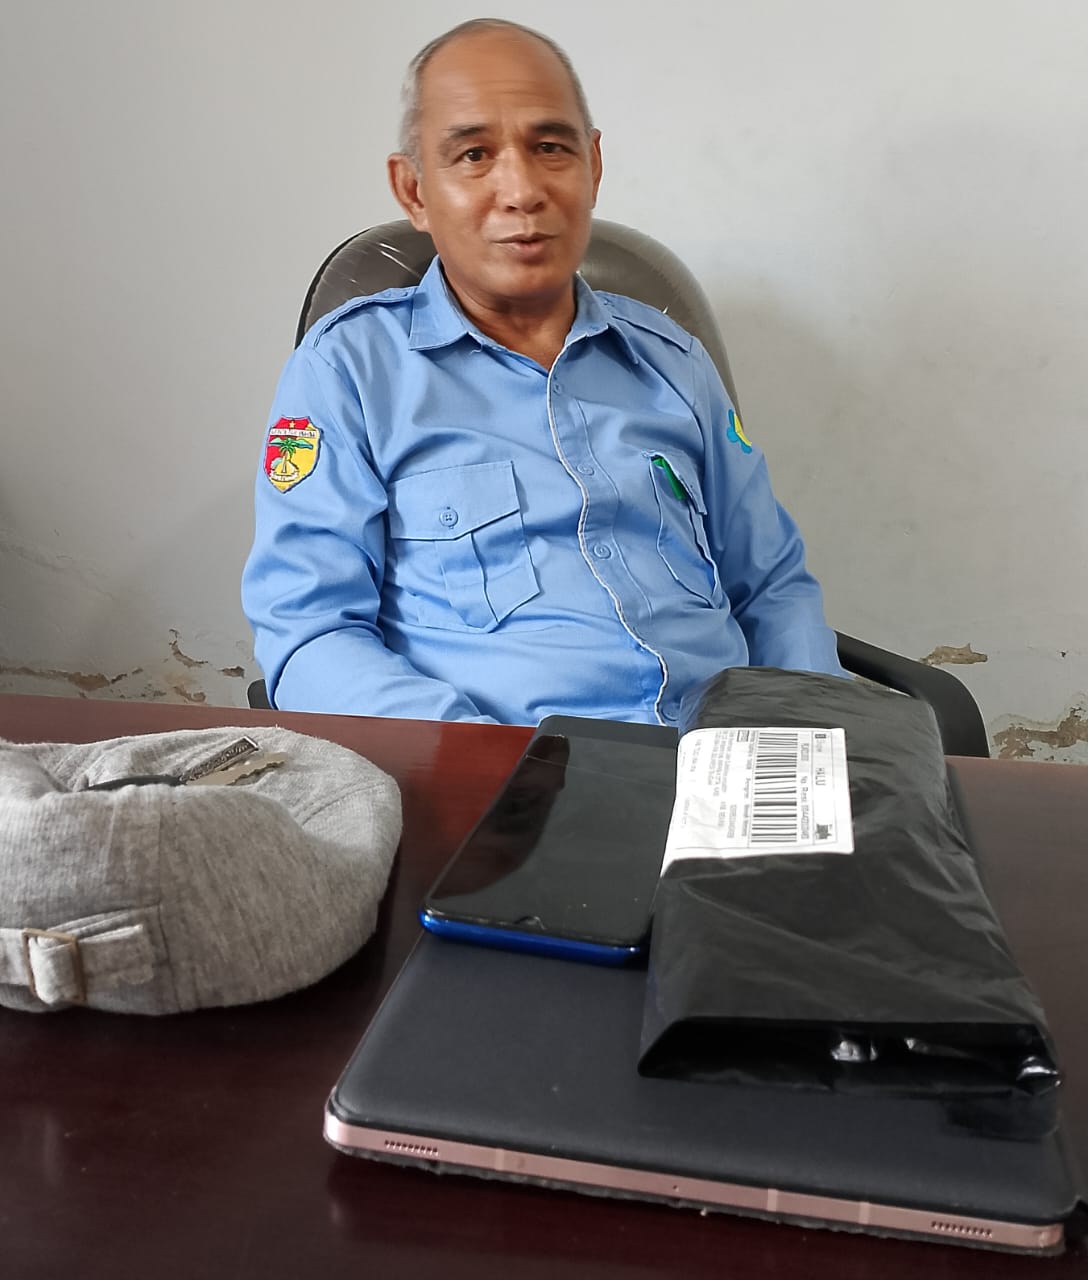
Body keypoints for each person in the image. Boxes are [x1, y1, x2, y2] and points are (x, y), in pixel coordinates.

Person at [242, 18, 846, 726]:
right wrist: (486, 762)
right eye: (474, 154)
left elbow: (771, 588)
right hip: (505, 774)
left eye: (551, 147)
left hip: (720, 762)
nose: (522, 190)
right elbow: (310, 636)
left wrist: (818, 745)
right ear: (413, 191)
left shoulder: (674, 362)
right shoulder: (349, 371)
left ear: (593, 166)